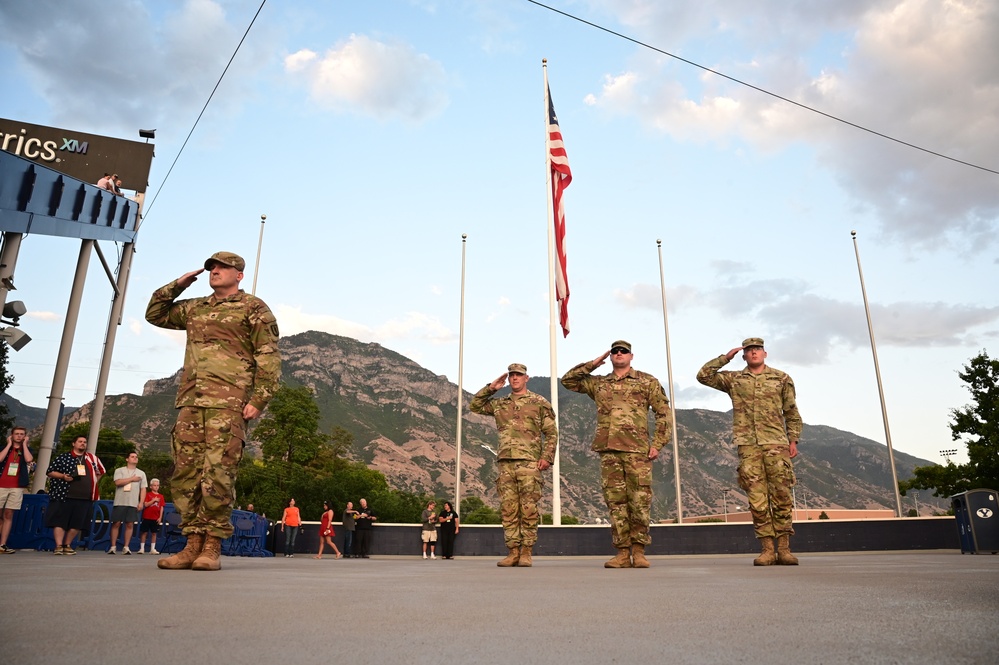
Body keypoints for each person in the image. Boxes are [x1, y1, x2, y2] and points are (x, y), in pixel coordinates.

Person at [145, 250, 281, 571]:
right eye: (211, 267)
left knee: (218, 474)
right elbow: (155, 314)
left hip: (228, 403)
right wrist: (179, 284)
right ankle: (191, 544)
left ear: (239, 275)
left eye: (223, 267)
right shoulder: (196, 307)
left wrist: (259, 398)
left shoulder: (253, 307)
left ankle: (212, 546)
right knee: (185, 474)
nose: (215, 271)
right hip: (191, 401)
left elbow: (268, 355)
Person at [561, 340, 672, 569]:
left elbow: (663, 413)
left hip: (637, 451)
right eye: (615, 351)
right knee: (616, 504)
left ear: (631, 356)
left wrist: (658, 444)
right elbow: (568, 381)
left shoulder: (647, 381)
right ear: (610, 356)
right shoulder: (599, 384)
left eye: (623, 351)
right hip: (609, 451)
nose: (619, 354)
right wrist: (593, 364)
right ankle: (622, 553)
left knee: (639, 502)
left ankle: (639, 552)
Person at [697, 337, 802, 566]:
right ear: (744, 356)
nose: (754, 353)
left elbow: (791, 411)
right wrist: (725, 358)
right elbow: (703, 376)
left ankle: (784, 549)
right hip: (748, 446)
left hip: (776, 444)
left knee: (782, 496)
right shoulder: (735, 379)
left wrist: (793, 440)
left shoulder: (781, 378)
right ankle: (767, 549)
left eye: (758, 349)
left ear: (765, 353)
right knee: (757, 499)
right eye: (749, 350)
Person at [470, 363, 558, 567]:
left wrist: (547, 457)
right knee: (508, 509)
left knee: (528, 509)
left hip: (529, 462)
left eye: (519, 375)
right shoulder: (500, 404)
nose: (515, 378)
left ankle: (526, 551)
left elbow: (551, 432)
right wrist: (491, 389)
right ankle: (512, 551)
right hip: (506, 464)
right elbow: (475, 405)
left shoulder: (539, 402)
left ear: (527, 378)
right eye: (512, 375)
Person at [44, 435, 105, 555]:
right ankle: (58, 546)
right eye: (80, 441)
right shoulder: (64, 457)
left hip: (84, 497)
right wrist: (63, 476)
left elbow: (101, 471)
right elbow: (50, 471)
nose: (83, 443)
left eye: (84, 442)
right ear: (73, 443)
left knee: (78, 523)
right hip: (64, 495)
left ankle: (67, 545)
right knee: (60, 521)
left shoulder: (92, 458)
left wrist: (93, 482)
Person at [0, 426, 34, 553]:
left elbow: (29, 459)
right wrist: (9, 444)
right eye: (17, 434)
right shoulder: (4, 448)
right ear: (12, 435)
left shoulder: (27, 449)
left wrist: (25, 444)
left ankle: (3, 544)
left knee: (9, 513)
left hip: (17, 486)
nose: (19, 436)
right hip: (1, 484)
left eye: (22, 434)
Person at [107, 452, 148, 555]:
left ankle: (126, 547)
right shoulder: (119, 470)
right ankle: (113, 546)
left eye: (136, 457)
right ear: (127, 459)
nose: (135, 458)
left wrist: (141, 502)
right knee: (116, 523)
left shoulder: (141, 473)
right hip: (120, 501)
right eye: (132, 457)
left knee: (130, 524)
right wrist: (132, 479)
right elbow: (118, 482)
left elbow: (143, 489)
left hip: (133, 502)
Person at [138, 478, 165, 555]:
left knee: (154, 533)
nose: (156, 487)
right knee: (144, 532)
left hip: (155, 517)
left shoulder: (161, 496)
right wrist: (153, 500)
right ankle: (142, 548)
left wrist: (160, 517)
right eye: (154, 485)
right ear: (151, 486)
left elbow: (161, 507)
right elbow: (146, 504)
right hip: (147, 516)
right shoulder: (148, 495)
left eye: (157, 485)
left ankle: (152, 548)